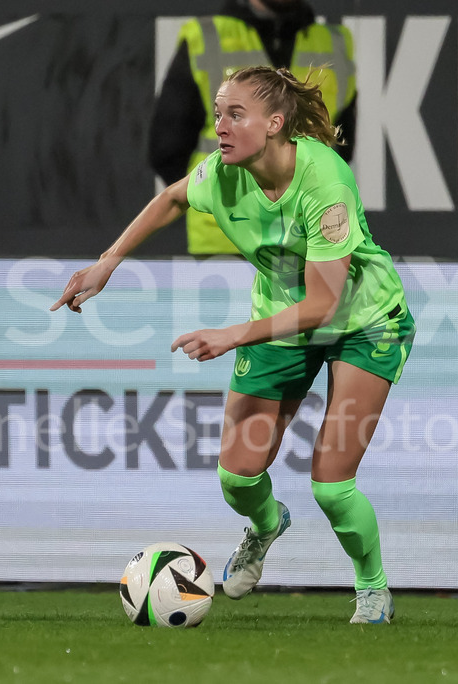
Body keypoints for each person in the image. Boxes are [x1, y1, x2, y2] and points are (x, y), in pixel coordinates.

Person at [53, 67, 413, 624]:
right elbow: (171, 199)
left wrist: (232, 334)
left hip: (363, 322)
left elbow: (323, 304)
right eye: (218, 113)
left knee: (332, 483)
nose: (220, 126)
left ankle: (373, 588)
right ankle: (268, 525)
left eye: (235, 114)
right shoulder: (222, 173)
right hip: (279, 322)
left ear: (275, 123)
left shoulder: (325, 182)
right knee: (237, 476)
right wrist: (107, 262)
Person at [150, 0, 356, 256]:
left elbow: (341, 145)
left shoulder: (335, 43)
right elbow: (166, 149)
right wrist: (227, 203)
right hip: (226, 241)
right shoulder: (205, 38)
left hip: (307, 237)